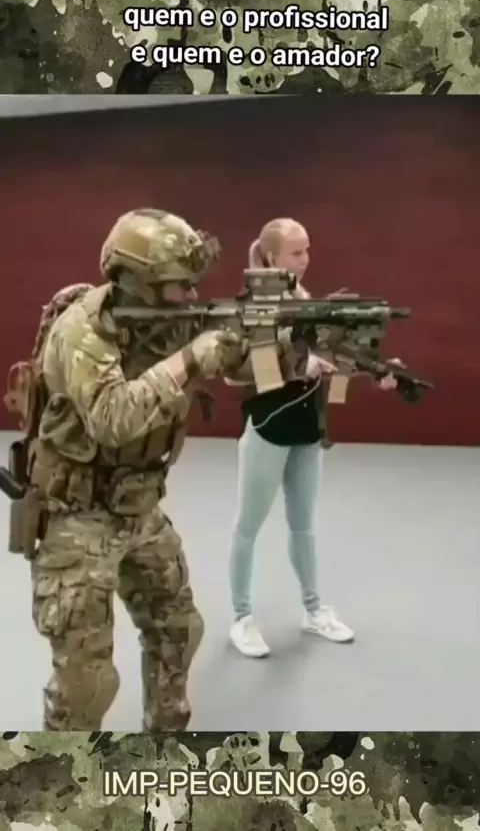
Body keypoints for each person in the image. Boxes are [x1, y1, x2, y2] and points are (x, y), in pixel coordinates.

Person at [5, 208, 248, 731]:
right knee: (87, 683)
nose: (191, 295)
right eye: (178, 285)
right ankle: (58, 779)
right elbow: (113, 419)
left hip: (139, 507)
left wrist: (276, 348)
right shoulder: (82, 330)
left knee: (178, 631)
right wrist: (191, 358)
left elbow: (238, 365)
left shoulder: (168, 319)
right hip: (76, 517)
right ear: (138, 281)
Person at [227, 218, 398, 658]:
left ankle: (314, 609)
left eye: (307, 250)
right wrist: (299, 367)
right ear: (271, 257)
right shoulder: (255, 306)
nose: (306, 259)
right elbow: (234, 372)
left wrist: (375, 372)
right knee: (248, 527)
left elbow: (331, 358)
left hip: (306, 430)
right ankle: (241, 618)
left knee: (303, 525)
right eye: (297, 252)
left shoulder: (305, 301)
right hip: (269, 428)